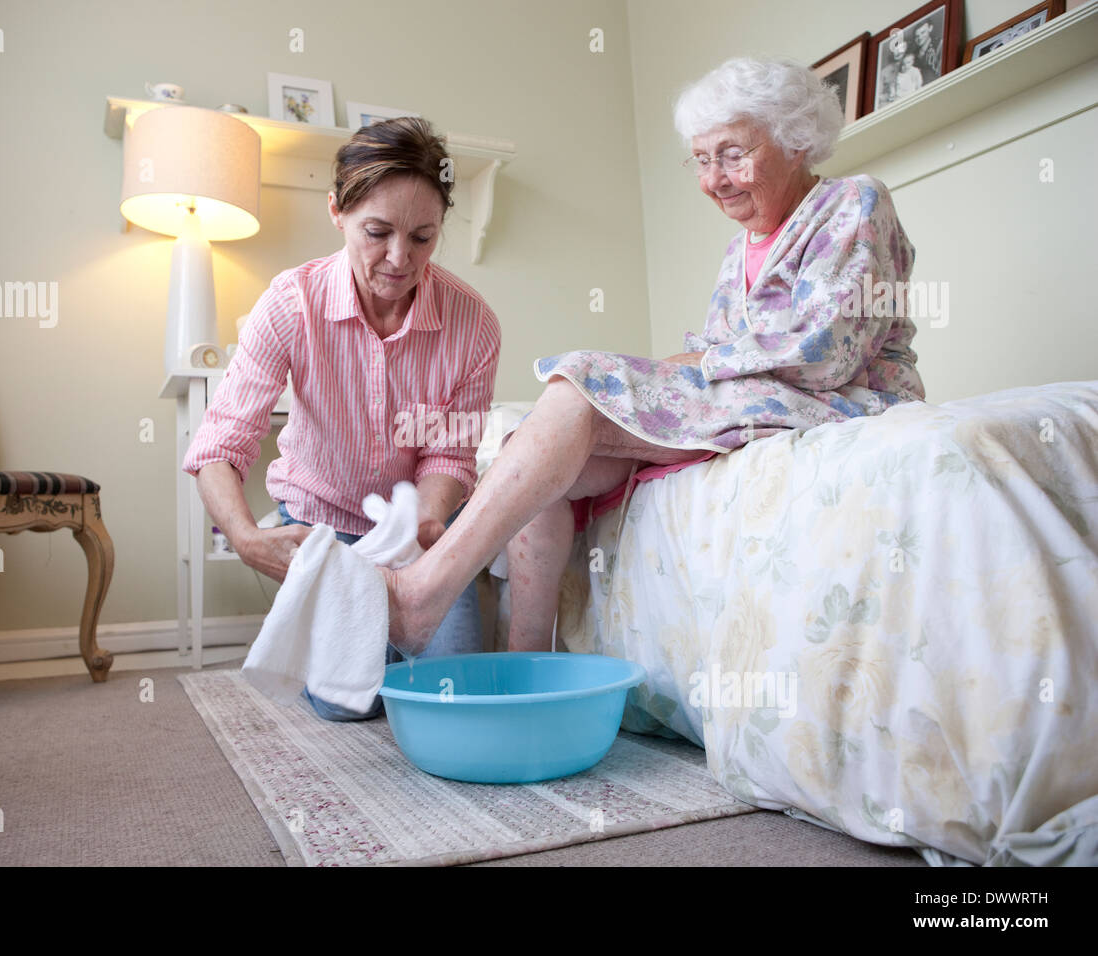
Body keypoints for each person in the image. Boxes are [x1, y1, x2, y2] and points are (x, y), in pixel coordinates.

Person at [382, 56, 925, 653]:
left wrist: (683, 369)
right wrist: (678, 368)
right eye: (701, 158)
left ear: (796, 140)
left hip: (842, 402)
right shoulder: (739, 246)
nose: (714, 178)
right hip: (758, 404)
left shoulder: (854, 203)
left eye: (733, 153)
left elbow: (825, 353)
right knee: (534, 460)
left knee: (581, 383)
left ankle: (422, 593)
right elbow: (714, 353)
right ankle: (528, 662)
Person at [184, 117, 502, 719]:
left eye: (423, 237)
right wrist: (249, 541)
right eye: (377, 232)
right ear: (337, 211)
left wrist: (426, 523)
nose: (399, 259)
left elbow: (450, 453)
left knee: (449, 696)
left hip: (421, 532)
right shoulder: (290, 303)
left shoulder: (473, 323)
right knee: (346, 706)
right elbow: (222, 443)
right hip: (325, 528)